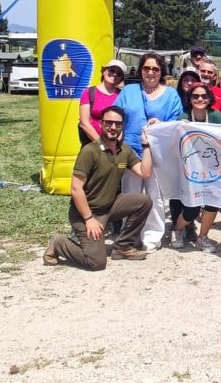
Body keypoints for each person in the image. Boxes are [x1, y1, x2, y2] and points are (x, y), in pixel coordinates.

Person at [43, 106, 153, 269]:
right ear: (101, 124)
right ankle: (59, 243)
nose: (113, 127)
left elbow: (145, 172)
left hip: (109, 207)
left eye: (117, 124)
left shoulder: (125, 151)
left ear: (122, 126)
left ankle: (123, 247)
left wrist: (146, 146)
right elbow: (75, 188)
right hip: (85, 213)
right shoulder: (90, 151)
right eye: (109, 123)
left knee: (144, 201)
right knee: (96, 262)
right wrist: (89, 219)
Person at [115, 51, 183, 252]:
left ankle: (152, 235)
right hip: (130, 150)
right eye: (147, 68)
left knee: (155, 195)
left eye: (155, 68)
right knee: (131, 194)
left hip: (158, 153)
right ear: (141, 70)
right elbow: (117, 118)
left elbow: (177, 122)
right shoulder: (128, 91)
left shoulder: (170, 94)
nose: (151, 72)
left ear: (161, 71)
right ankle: (130, 233)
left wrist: (162, 124)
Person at [170, 83, 221, 252]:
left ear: (209, 99)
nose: (200, 99)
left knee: (212, 203)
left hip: (212, 167)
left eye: (203, 96)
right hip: (191, 168)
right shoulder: (184, 116)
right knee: (191, 207)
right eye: (195, 96)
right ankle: (177, 230)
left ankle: (203, 237)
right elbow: (174, 139)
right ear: (190, 99)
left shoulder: (216, 116)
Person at [78, 58, 126, 146]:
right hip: (91, 144)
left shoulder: (122, 95)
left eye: (119, 74)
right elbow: (84, 122)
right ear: (104, 71)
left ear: (121, 79)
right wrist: (101, 145)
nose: (114, 74)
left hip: (114, 146)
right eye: (112, 70)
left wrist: (115, 145)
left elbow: (123, 123)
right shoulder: (89, 92)